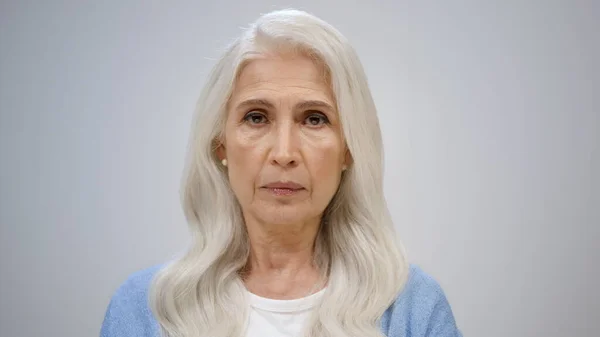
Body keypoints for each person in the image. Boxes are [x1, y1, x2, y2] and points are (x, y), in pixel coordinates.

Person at [100, 9, 462, 337]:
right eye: (256, 117)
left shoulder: (414, 309)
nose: (284, 153)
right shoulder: (145, 311)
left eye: (314, 118)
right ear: (220, 144)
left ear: (349, 148)